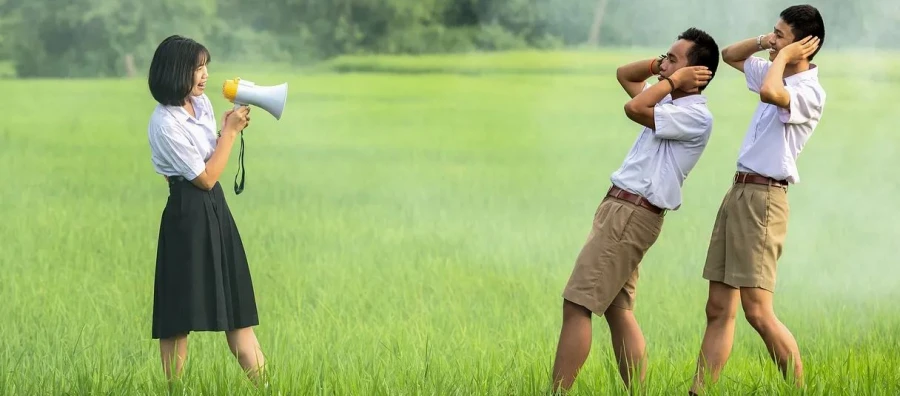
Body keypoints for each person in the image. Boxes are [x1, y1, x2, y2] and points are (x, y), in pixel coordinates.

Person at [550, 27, 720, 392]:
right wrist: (663, 66)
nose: (663, 66)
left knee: (577, 304)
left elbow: (633, 107)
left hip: (632, 213)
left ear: (697, 74)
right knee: (617, 309)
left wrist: (671, 81)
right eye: (665, 57)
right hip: (622, 209)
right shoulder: (670, 102)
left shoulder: (694, 116)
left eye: (674, 59)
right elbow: (624, 75)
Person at [689, 5, 825, 394]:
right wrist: (770, 43)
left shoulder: (808, 91)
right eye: (773, 33)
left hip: (765, 198)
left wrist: (782, 56)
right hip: (739, 192)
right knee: (717, 308)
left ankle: (798, 389)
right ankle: (698, 391)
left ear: (802, 47)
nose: (772, 40)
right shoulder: (774, 68)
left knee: (758, 312)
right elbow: (730, 55)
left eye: (781, 34)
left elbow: (770, 91)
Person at [146, 34, 266, 385]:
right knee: (177, 316)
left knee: (238, 312)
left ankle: (269, 389)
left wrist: (228, 130)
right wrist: (228, 134)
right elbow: (207, 177)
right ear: (175, 72)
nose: (205, 75)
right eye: (197, 68)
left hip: (216, 211)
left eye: (205, 67)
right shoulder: (165, 123)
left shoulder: (201, 106)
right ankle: (174, 390)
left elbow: (213, 160)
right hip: (187, 214)